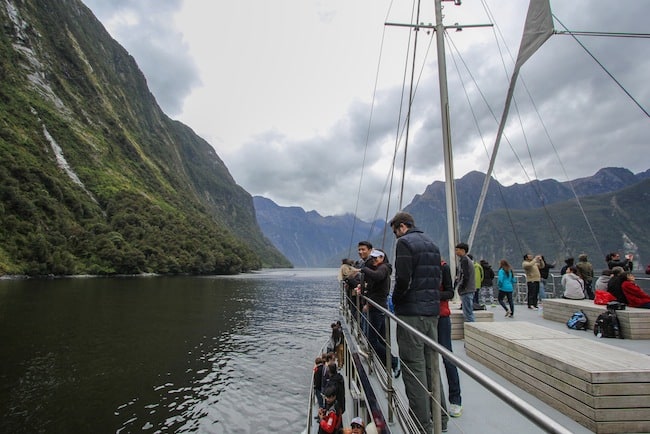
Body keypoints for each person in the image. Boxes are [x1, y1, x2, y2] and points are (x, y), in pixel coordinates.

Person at [389, 211, 445, 433]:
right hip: (432, 314)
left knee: (413, 369)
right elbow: (436, 279)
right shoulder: (432, 243)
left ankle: (421, 426)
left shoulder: (405, 243)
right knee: (432, 367)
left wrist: (396, 299)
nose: (396, 237)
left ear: (402, 227)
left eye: (395, 232)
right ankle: (441, 418)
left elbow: (403, 279)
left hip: (411, 313)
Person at [359, 249, 400, 377]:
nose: (374, 260)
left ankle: (393, 362)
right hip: (377, 307)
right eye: (372, 258)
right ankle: (386, 363)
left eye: (376, 258)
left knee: (372, 340)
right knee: (381, 339)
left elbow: (377, 278)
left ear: (382, 257)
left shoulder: (383, 269)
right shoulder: (381, 268)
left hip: (377, 308)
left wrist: (364, 269)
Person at [439, 258, 462, 418]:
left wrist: (430, 294)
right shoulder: (415, 266)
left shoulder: (443, 267)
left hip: (441, 317)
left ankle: (455, 400)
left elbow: (450, 292)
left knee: (447, 358)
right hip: (423, 317)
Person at [454, 242, 475, 323]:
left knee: (468, 313)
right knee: (467, 311)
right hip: (468, 289)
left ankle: (472, 328)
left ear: (463, 250)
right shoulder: (465, 260)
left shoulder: (464, 260)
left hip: (467, 290)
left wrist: (462, 287)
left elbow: (466, 275)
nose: (456, 252)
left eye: (457, 250)